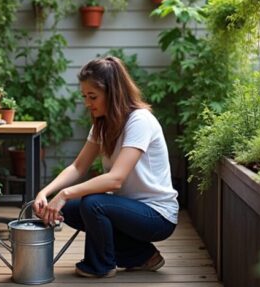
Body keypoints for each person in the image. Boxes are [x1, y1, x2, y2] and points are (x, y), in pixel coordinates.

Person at [33, 56, 179, 278]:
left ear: (113, 93)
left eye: (93, 96)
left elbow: (115, 179)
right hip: (129, 208)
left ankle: (102, 265)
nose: (87, 103)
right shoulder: (103, 124)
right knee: (67, 208)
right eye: (84, 96)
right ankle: (143, 255)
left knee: (93, 203)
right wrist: (46, 192)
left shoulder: (140, 120)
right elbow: (78, 166)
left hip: (157, 216)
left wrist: (65, 193)